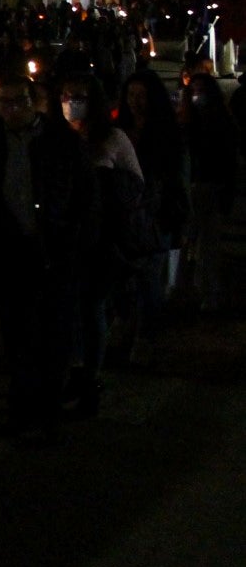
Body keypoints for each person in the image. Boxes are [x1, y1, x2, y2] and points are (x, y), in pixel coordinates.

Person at [0, 74, 94, 446]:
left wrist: (73, 242)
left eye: (17, 102)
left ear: (32, 101)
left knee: (54, 336)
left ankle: (49, 411)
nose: (10, 110)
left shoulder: (61, 141)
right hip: (9, 254)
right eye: (3, 103)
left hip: (53, 253)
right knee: (18, 336)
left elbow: (85, 197)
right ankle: (21, 409)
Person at [60, 73, 145, 414]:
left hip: (101, 240)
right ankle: (72, 372)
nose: (71, 101)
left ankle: (90, 376)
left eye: (78, 95)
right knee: (70, 310)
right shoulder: (56, 136)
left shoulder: (112, 138)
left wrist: (104, 188)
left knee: (91, 307)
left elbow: (135, 184)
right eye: (66, 94)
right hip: (66, 240)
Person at [116, 69, 188, 357]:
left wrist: (180, 220)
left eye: (142, 96)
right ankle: (126, 331)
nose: (135, 101)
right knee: (122, 281)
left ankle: (146, 337)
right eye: (131, 95)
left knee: (150, 281)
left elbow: (177, 180)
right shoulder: (118, 132)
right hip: (123, 218)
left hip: (155, 217)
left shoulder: (167, 135)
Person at [179, 70, 236, 312]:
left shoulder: (221, 123)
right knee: (187, 242)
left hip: (210, 186)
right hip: (190, 186)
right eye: (193, 92)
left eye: (201, 92)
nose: (196, 96)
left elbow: (228, 159)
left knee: (207, 244)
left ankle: (208, 292)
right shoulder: (187, 123)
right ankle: (185, 289)